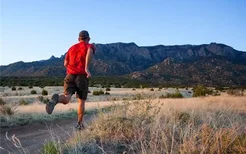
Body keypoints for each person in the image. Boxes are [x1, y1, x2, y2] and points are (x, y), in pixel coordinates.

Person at [45, 30, 96, 130]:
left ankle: (56, 99)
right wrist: (86, 68)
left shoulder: (71, 48)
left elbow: (65, 63)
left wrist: (71, 69)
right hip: (81, 76)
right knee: (81, 102)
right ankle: (79, 124)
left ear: (78, 39)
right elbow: (89, 52)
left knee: (66, 98)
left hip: (69, 75)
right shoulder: (89, 46)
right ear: (88, 39)